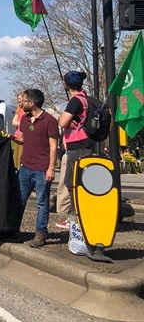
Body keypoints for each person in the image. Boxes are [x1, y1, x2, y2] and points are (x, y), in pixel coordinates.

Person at [11, 88, 58, 248]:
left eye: (23, 101)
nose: (21, 103)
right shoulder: (24, 119)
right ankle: (13, 230)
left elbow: (53, 146)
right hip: (25, 167)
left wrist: (51, 168)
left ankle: (40, 234)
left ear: (32, 102)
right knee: (19, 200)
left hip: (42, 169)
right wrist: (13, 138)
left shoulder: (49, 120)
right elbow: (24, 138)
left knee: (42, 203)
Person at [57, 71, 95, 224]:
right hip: (83, 143)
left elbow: (62, 122)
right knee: (77, 180)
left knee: (72, 181)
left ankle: (75, 216)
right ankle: (78, 215)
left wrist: (65, 118)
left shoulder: (75, 101)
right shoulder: (84, 98)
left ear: (67, 85)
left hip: (77, 145)